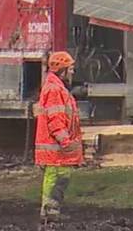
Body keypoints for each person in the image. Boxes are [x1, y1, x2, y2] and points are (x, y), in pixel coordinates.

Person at [35, 51, 83, 226]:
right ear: (62, 69)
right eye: (70, 68)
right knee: (55, 180)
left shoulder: (56, 88)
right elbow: (55, 121)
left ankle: (51, 213)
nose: (72, 72)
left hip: (57, 151)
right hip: (56, 151)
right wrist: (66, 142)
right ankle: (49, 213)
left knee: (59, 180)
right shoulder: (55, 90)